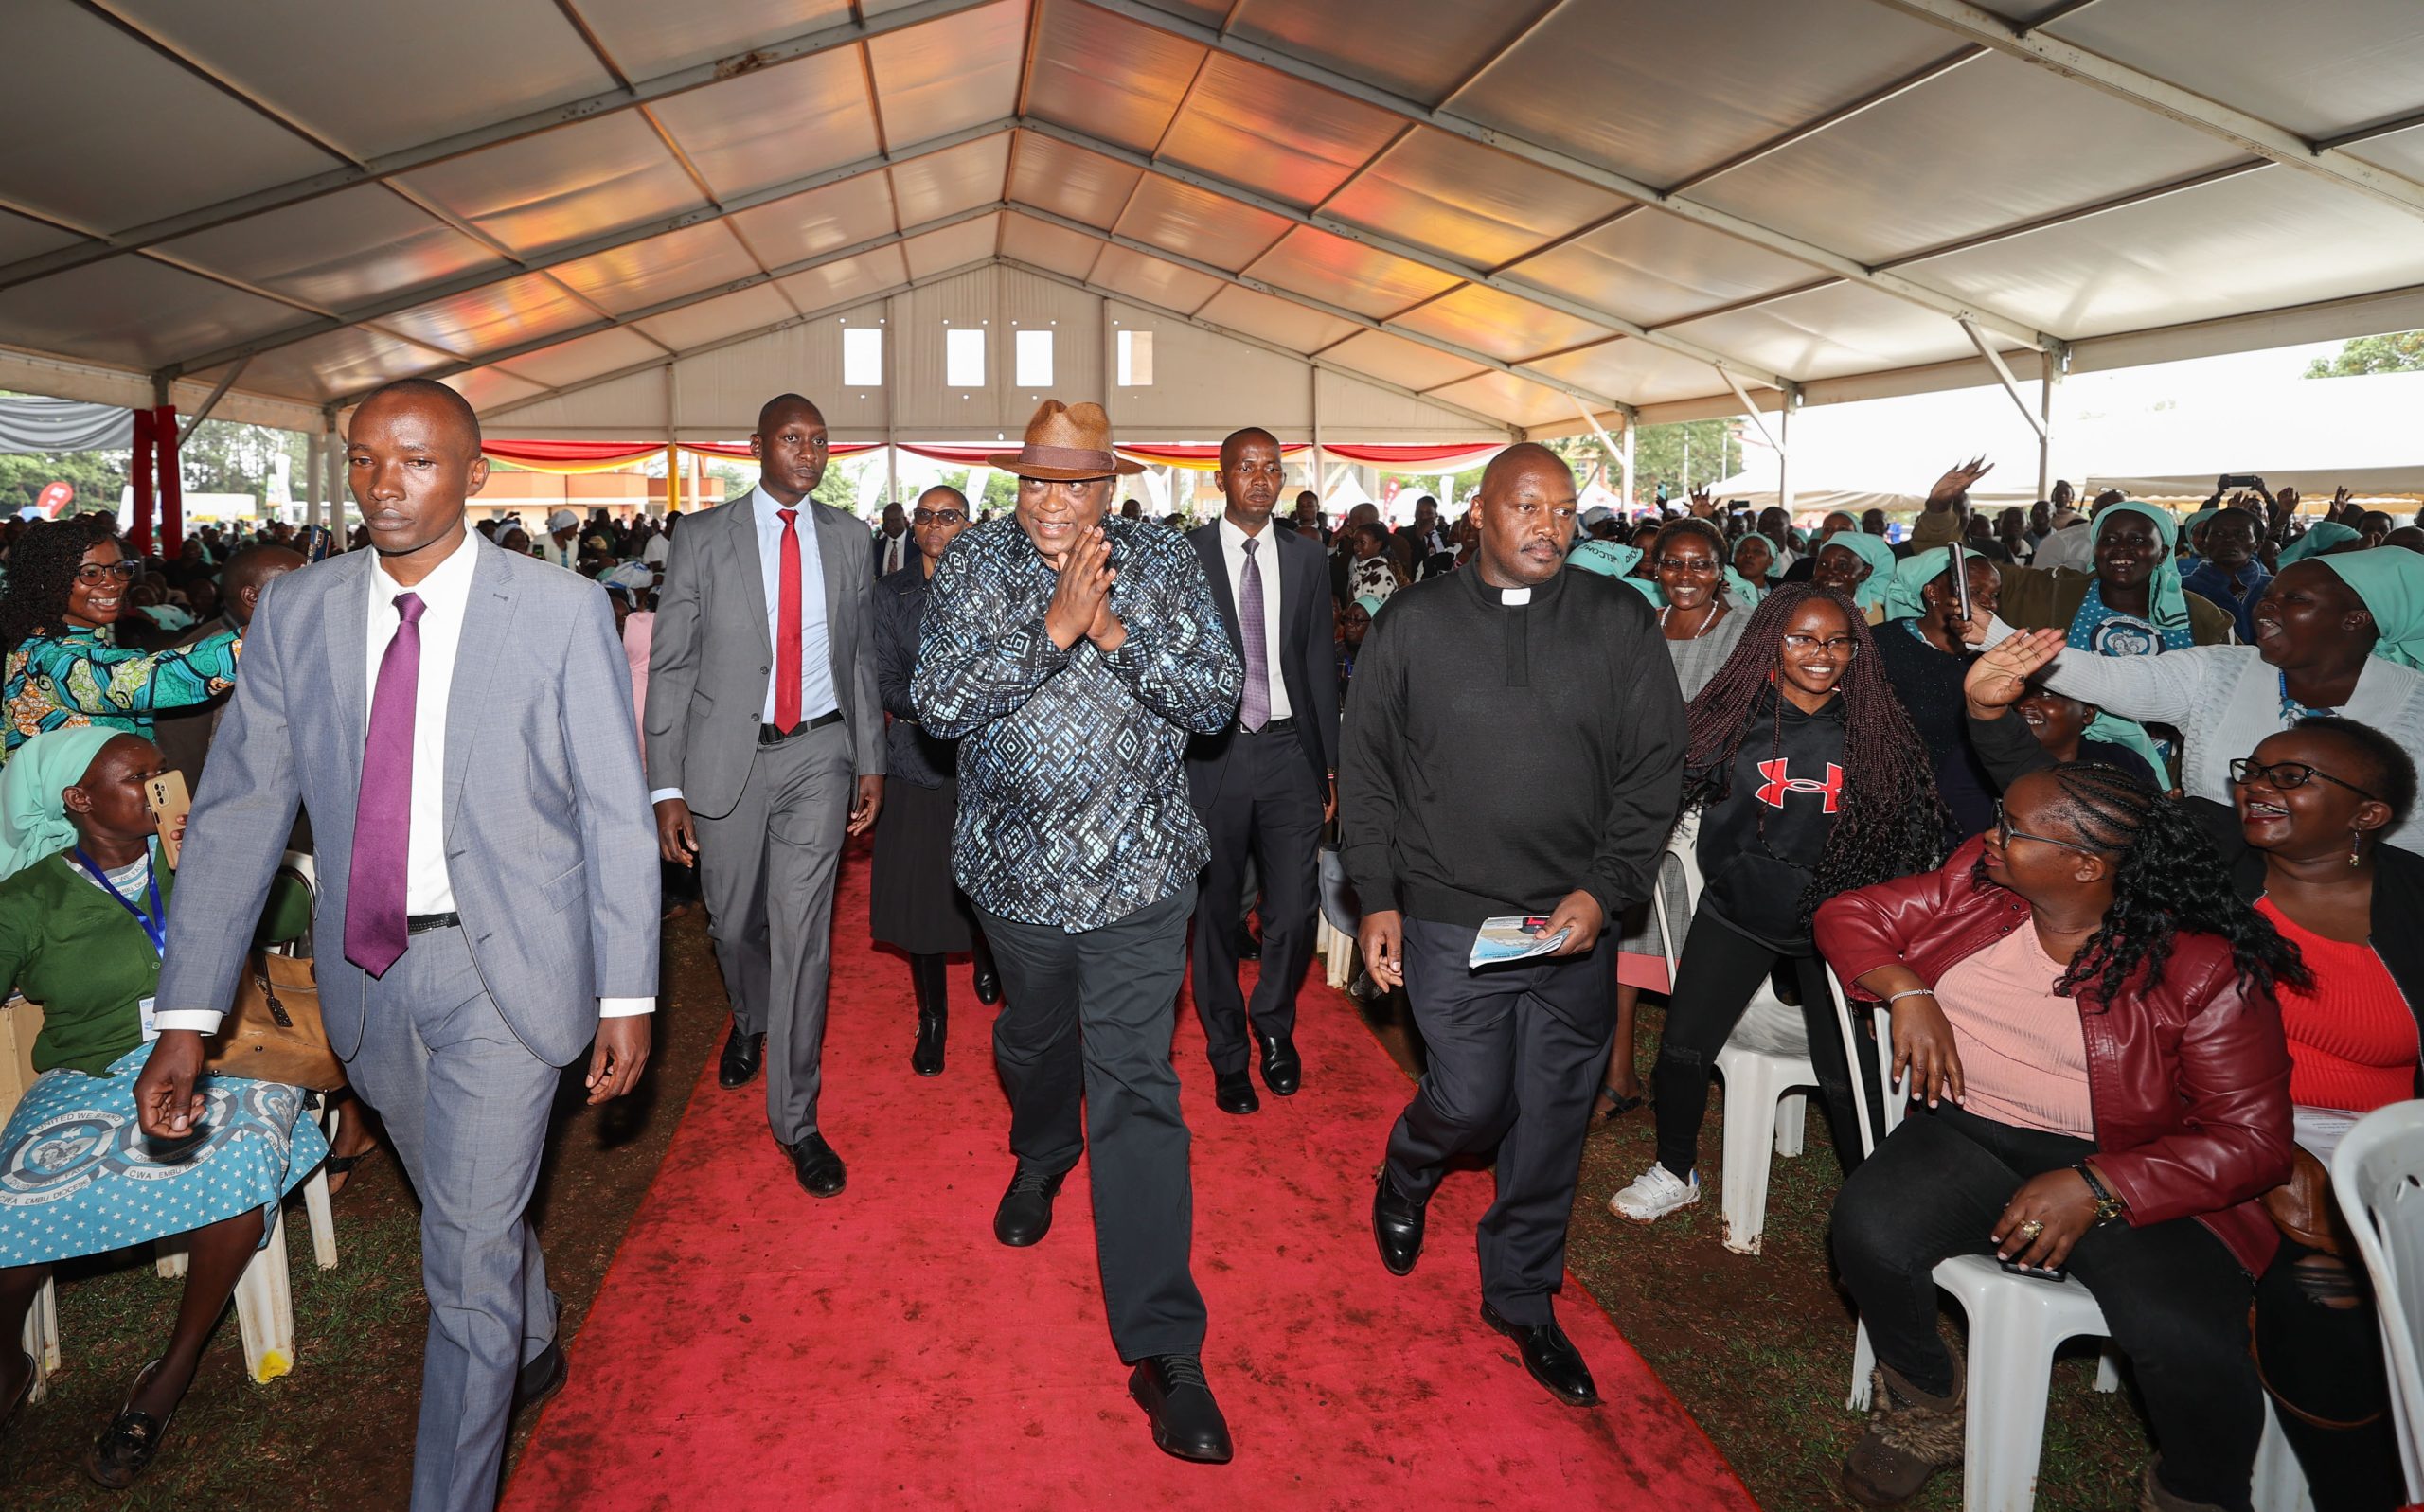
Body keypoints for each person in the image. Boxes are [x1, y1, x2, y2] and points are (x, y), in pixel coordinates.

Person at [139, 378, 657, 1512]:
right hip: (363, 974)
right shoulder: (299, 611)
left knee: (462, 1261)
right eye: (366, 459)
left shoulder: (559, 610)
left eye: (417, 461)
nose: (386, 484)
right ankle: (531, 1322)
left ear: (474, 475)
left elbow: (615, 812)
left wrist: (629, 989)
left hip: (503, 967)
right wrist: (188, 1015)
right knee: (468, 1206)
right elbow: (239, 815)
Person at [1968, 634, 2422, 1512]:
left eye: (2295, 778)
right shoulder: (2209, 854)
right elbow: (2067, 810)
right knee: (2323, 1291)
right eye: (2257, 767)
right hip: (2215, 1124)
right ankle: (2356, 1492)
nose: (2258, 784)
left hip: (2384, 1147)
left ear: (2369, 814)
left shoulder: (2415, 903)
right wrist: (1989, 709)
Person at [1817, 763, 2302, 1512]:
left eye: (2012, 829)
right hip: (1968, 1128)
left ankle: (2196, 1491)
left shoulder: (2202, 967)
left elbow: (2254, 1140)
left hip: (2129, 1163)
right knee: (1868, 1230)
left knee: (2182, 1334)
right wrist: (1907, 988)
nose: (1990, 837)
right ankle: (1927, 1399)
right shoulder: (1978, 890)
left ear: (2086, 863)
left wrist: (2102, 1184)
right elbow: (1848, 913)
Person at [912, 399, 1241, 1462]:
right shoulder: (972, 565)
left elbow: (1215, 699)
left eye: (1076, 483)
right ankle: (1042, 1147)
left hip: (1142, 874)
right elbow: (937, 704)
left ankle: (1163, 1346)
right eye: (1038, 482)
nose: (1054, 503)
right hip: (1013, 880)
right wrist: (1052, 631)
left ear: (1111, 486)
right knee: (1033, 1046)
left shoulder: (1162, 561)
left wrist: (1115, 633)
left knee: (1140, 1082)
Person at [1344, 443, 1684, 1408]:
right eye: (1527, 506)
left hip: (1573, 921)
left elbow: (1652, 767)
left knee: (1553, 1115)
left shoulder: (1618, 622)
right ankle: (1408, 1168)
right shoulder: (1409, 626)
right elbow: (1365, 767)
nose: (1550, 524)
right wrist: (1375, 893)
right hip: (1452, 918)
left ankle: (1522, 1294)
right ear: (1480, 516)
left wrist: (1606, 887)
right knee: (1468, 1102)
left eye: (1565, 508)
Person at [0, 729, 328, 1487]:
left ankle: (170, 1372)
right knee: (12, 1194)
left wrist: (216, 859)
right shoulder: (31, 897)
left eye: (160, 771)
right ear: (79, 801)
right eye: (133, 777)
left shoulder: (193, 856)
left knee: (238, 1163)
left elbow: (282, 920)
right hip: (90, 1072)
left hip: (224, 1056)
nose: (157, 787)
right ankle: (6, 1358)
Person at [1610, 584, 1938, 1224]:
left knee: (1845, 1074)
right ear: (1771, 642)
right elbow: (1654, 788)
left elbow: (1905, 843)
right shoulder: (1734, 713)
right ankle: (1675, 1169)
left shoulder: (1875, 729)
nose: (1822, 653)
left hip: (1837, 927)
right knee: (1682, 1047)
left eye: (1837, 640)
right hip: (1740, 910)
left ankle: (1873, 1205)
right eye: (1803, 638)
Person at [646, 394, 884, 1194]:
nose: (809, 452)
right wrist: (666, 784)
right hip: (724, 762)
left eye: (819, 440)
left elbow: (860, 659)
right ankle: (748, 1017)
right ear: (757, 447)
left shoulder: (852, 539)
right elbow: (672, 663)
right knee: (733, 920)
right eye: (793, 438)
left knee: (804, 933)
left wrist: (870, 758)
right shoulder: (703, 537)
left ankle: (799, 1118)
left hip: (820, 752)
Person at [1984, 552, 2424, 836]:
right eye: (2268, 595)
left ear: (2355, 619)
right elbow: (2106, 678)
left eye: (2295, 598)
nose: (2266, 607)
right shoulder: (2220, 669)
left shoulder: (2415, 705)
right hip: (2211, 887)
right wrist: (1991, 635)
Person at [1185, 428, 1339, 1114]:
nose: (1259, 478)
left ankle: (1274, 1026)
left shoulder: (1308, 558)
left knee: (1294, 907)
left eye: (1271, 468)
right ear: (1221, 478)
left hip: (1286, 753)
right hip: (1212, 757)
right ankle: (1227, 1054)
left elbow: (1317, 664)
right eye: (1245, 467)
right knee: (1214, 914)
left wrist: (1329, 764)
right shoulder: (1185, 556)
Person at [1598, 516, 1751, 1117]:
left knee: (1693, 944)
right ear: (1654, 568)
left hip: (1709, 807)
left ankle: (1684, 1071)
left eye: (1701, 564)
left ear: (1721, 570)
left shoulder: (1743, 633)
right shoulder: (1643, 623)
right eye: (1673, 563)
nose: (1686, 575)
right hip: (1635, 800)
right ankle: (1620, 1072)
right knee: (1623, 932)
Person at [870, 487, 996, 1076]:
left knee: (990, 883)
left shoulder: (998, 589)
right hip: (919, 761)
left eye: (949, 516)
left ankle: (991, 954)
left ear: (969, 525)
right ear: (912, 528)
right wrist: (944, 706)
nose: (935, 526)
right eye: (925, 516)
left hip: (994, 761)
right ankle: (933, 1019)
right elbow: (886, 680)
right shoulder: (891, 596)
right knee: (923, 902)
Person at [0, 515, 241, 761]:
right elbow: (140, 681)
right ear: (45, 582)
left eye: (119, 569)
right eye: (90, 573)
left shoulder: (78, 639)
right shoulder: (48, 657)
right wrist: (249, 640)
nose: (114, 583)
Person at [149, 541, 307, 796]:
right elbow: (182, 757)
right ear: (253, 597)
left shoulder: (290, 638)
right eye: (299, 585)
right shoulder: (199, 658)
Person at [1871, 547, 2006, 843]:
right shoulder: (1881, 646)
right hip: (1898, 806)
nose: (1988, 603)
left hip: (1972, 806)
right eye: (1975, 592)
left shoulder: (1996, 655)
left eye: (1994, 594)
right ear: (1932, 593)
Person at [1997, 501, 2236, 652]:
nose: (2121, 548)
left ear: (2162, 553)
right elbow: (1981, 573)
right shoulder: (2055, 592)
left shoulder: (2202, 616)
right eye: (2109, 540)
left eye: (2138, 540)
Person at [2180, 507, 2272, 643]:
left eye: (2240, 534)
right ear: (2204, 543)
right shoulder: (2184, 590)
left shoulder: (2273, 588)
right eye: (2218, 534)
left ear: (2257, 545)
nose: (2229, 540)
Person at [1809, 530, 1898, 624]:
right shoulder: (1800, 605)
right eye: (1823, 564)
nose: (1829, 573)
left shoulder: (1876, 617)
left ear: (1865, 572)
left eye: (1842, 565)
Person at [1343, 520, 1399, 603]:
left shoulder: (1378, 576)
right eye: (1355, 542)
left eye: (1362, 542)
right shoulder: (1365, 571)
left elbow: (1368, 614)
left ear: (1378, 544)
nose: (1356, 546)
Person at [871, 500, 913, 578]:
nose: (890, 525)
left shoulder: (917, 544)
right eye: (887, 521)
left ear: (904, 520)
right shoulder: (878, 546)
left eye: (895, 521)